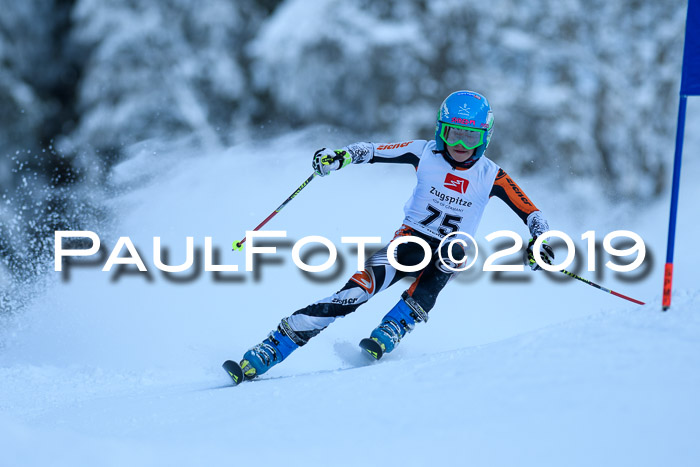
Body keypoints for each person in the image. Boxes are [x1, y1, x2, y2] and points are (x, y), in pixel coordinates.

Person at [238, 90, 554, 379]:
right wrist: (339, 157)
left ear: (484, 137)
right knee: (354, 295)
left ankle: (399, 320)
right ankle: (276, 344)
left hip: (449, 253)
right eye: (453, 133)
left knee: (453, 252)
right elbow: (373, 151)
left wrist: (539, 241)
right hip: (408, 243)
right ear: (440, 131)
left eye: (470, 137)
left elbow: (532, 213)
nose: (460, 144)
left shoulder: (490, 174)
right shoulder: (425, 153)